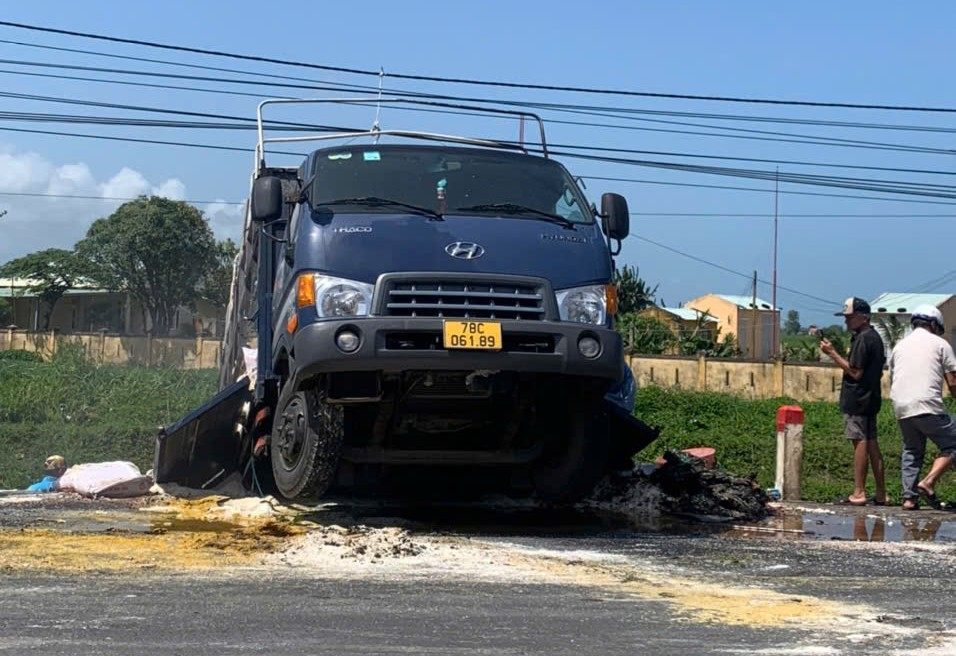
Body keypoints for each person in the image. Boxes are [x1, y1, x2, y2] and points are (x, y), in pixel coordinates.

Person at [820, 297, 887, 505]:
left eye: (849, 317)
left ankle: (858, 492)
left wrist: (832, 353)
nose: (846, 322)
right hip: (871, 397)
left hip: (857, 398)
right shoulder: (874, 337)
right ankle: (881, 492)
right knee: (872, 443)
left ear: (862, 317)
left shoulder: (862, 339)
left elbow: (855, 372)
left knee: (860, 443)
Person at [888, 304, 956, 510]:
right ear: (934, 325)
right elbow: (953, 381)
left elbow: (893, 377)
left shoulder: (899, 346)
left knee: (912, 450)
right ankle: (928, 482)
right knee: (952, 444)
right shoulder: (940, 344)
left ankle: (909, 499)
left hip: (901, 406)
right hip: (927, 405)